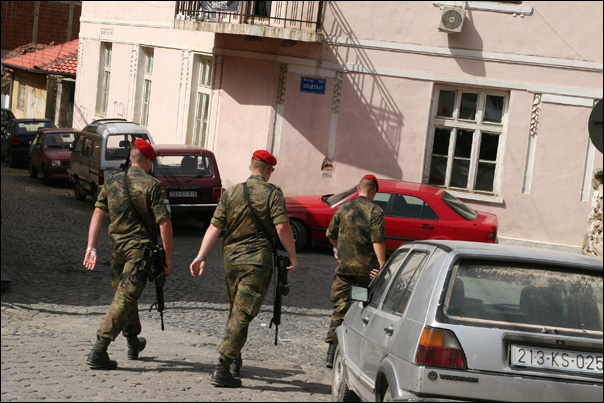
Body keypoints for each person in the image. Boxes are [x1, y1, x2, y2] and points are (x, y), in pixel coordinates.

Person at [190, 149, 298, 388]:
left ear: (251, 168)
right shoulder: (273, 193)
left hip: (231, 260)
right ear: (269, 171)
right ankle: (222, 366)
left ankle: (234, 359)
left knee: (236, 308)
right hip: (256, 262)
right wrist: (292, 254)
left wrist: (201, 255)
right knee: (243, 312)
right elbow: (282, 227)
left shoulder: (232, 192)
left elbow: (214, 227)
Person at [83, 139, 173, 370]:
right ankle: (99, 349)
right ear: (148, 161)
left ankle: (133, 342)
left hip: (118, 251)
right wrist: (167, 257)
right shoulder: (154, 186)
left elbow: (97, 215)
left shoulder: (111, 183)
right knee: (124, 298)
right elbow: (164, 223)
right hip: (139, 252)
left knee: (126, 296)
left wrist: (91, 248)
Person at [324, 174, 386, 368]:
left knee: (340, 309)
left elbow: (330, 234)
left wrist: (338, 249)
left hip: (344, 270)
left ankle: (331, 352)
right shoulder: (375, 211)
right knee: (360, 308)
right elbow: (377, 240)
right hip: (364, 273)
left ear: (358, 189)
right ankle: (355, 353)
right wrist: (383, 265)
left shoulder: (344, 207)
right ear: (374, 191)